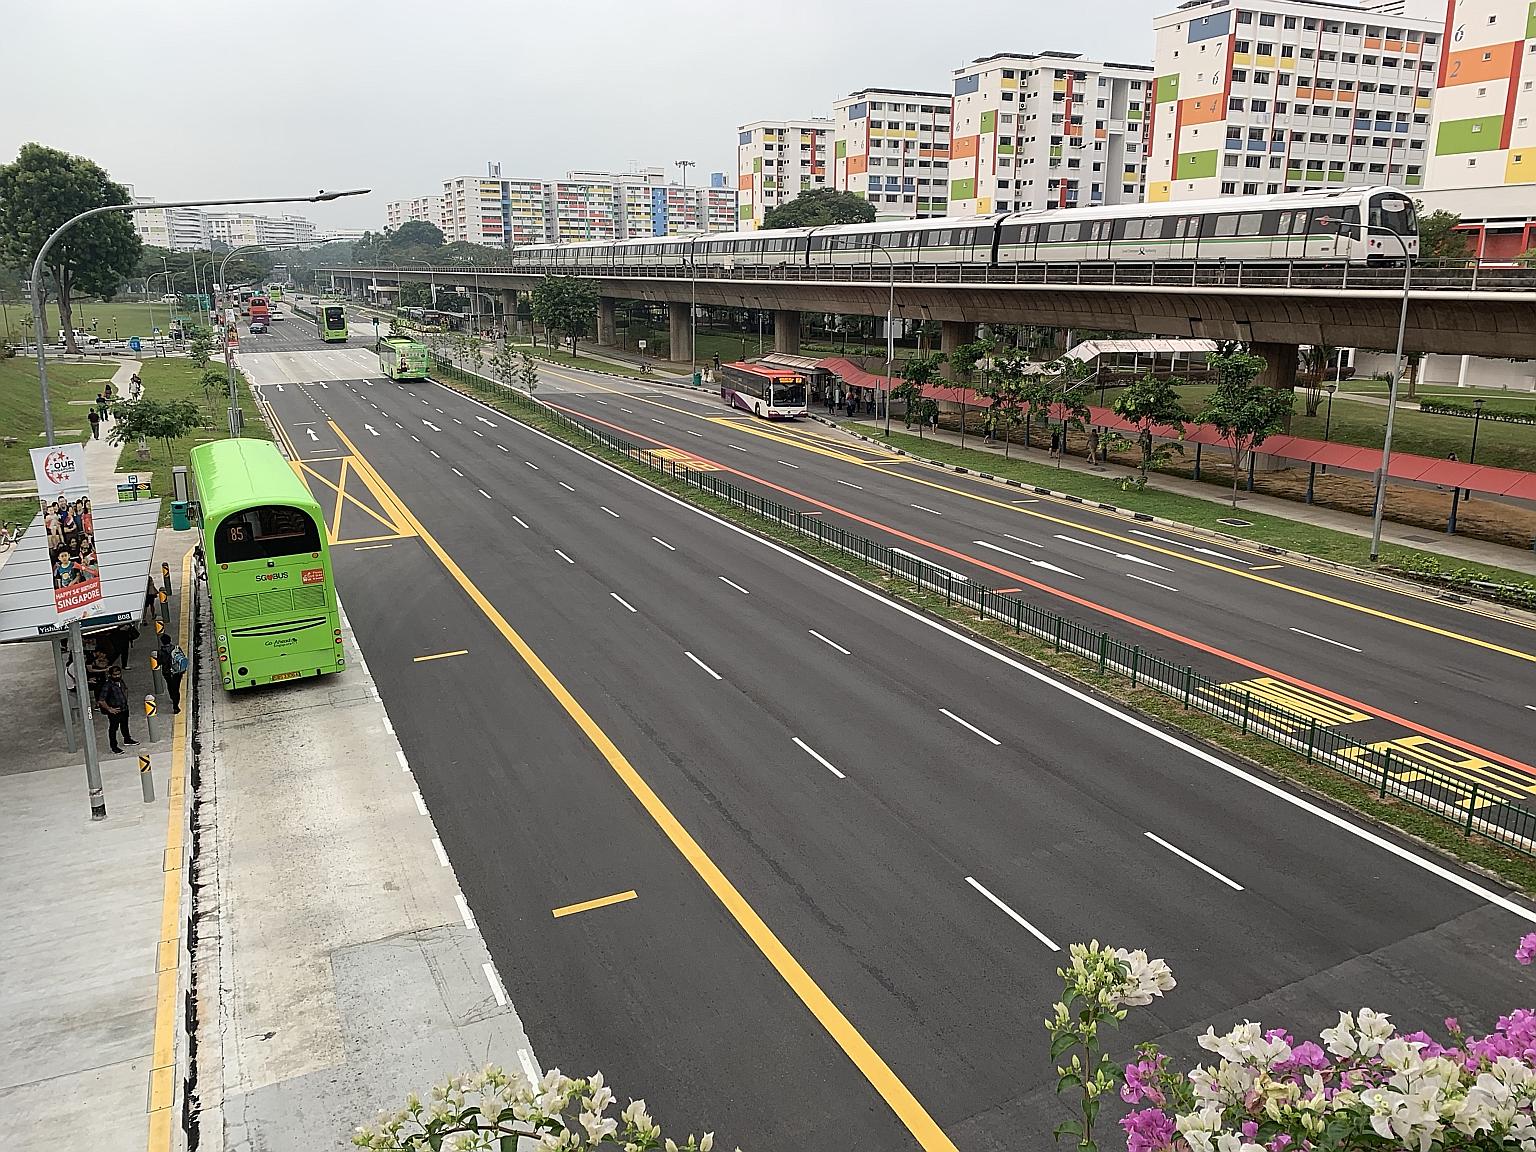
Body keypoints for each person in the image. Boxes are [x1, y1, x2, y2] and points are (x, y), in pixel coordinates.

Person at [98, 665, 137, 754]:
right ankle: (114, 747)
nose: (117, 676)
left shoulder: (121, 682)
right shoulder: (107, 686)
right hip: (115, 711)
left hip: (124, 708)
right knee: (113, 728)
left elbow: (125, 689)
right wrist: (110, 709)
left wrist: (125, 700)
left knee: (125, 725)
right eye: (115, 675)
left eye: (119, 674)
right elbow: (101, 700)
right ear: (110, 675)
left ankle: (127, 739)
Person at [158, 632, 187, 714]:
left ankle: (172, 697)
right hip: (177, 672)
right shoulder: (176, 648)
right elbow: (183, 657)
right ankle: (175, 706)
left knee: (170, 686)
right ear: (170, 640)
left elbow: (159, 662)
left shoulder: (160, 652)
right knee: (176, 688)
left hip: (167, 672)